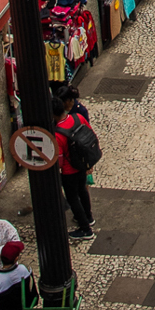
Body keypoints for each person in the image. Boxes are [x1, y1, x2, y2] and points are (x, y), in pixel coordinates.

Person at [54, 90, 96, 239]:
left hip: (69, 171)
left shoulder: (58, 134)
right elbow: (90, 135)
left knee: (73, 198)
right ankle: (89, 217)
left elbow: (59, 160)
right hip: (82, 164)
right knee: (83, 191)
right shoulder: (78, 117)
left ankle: (85, 229)